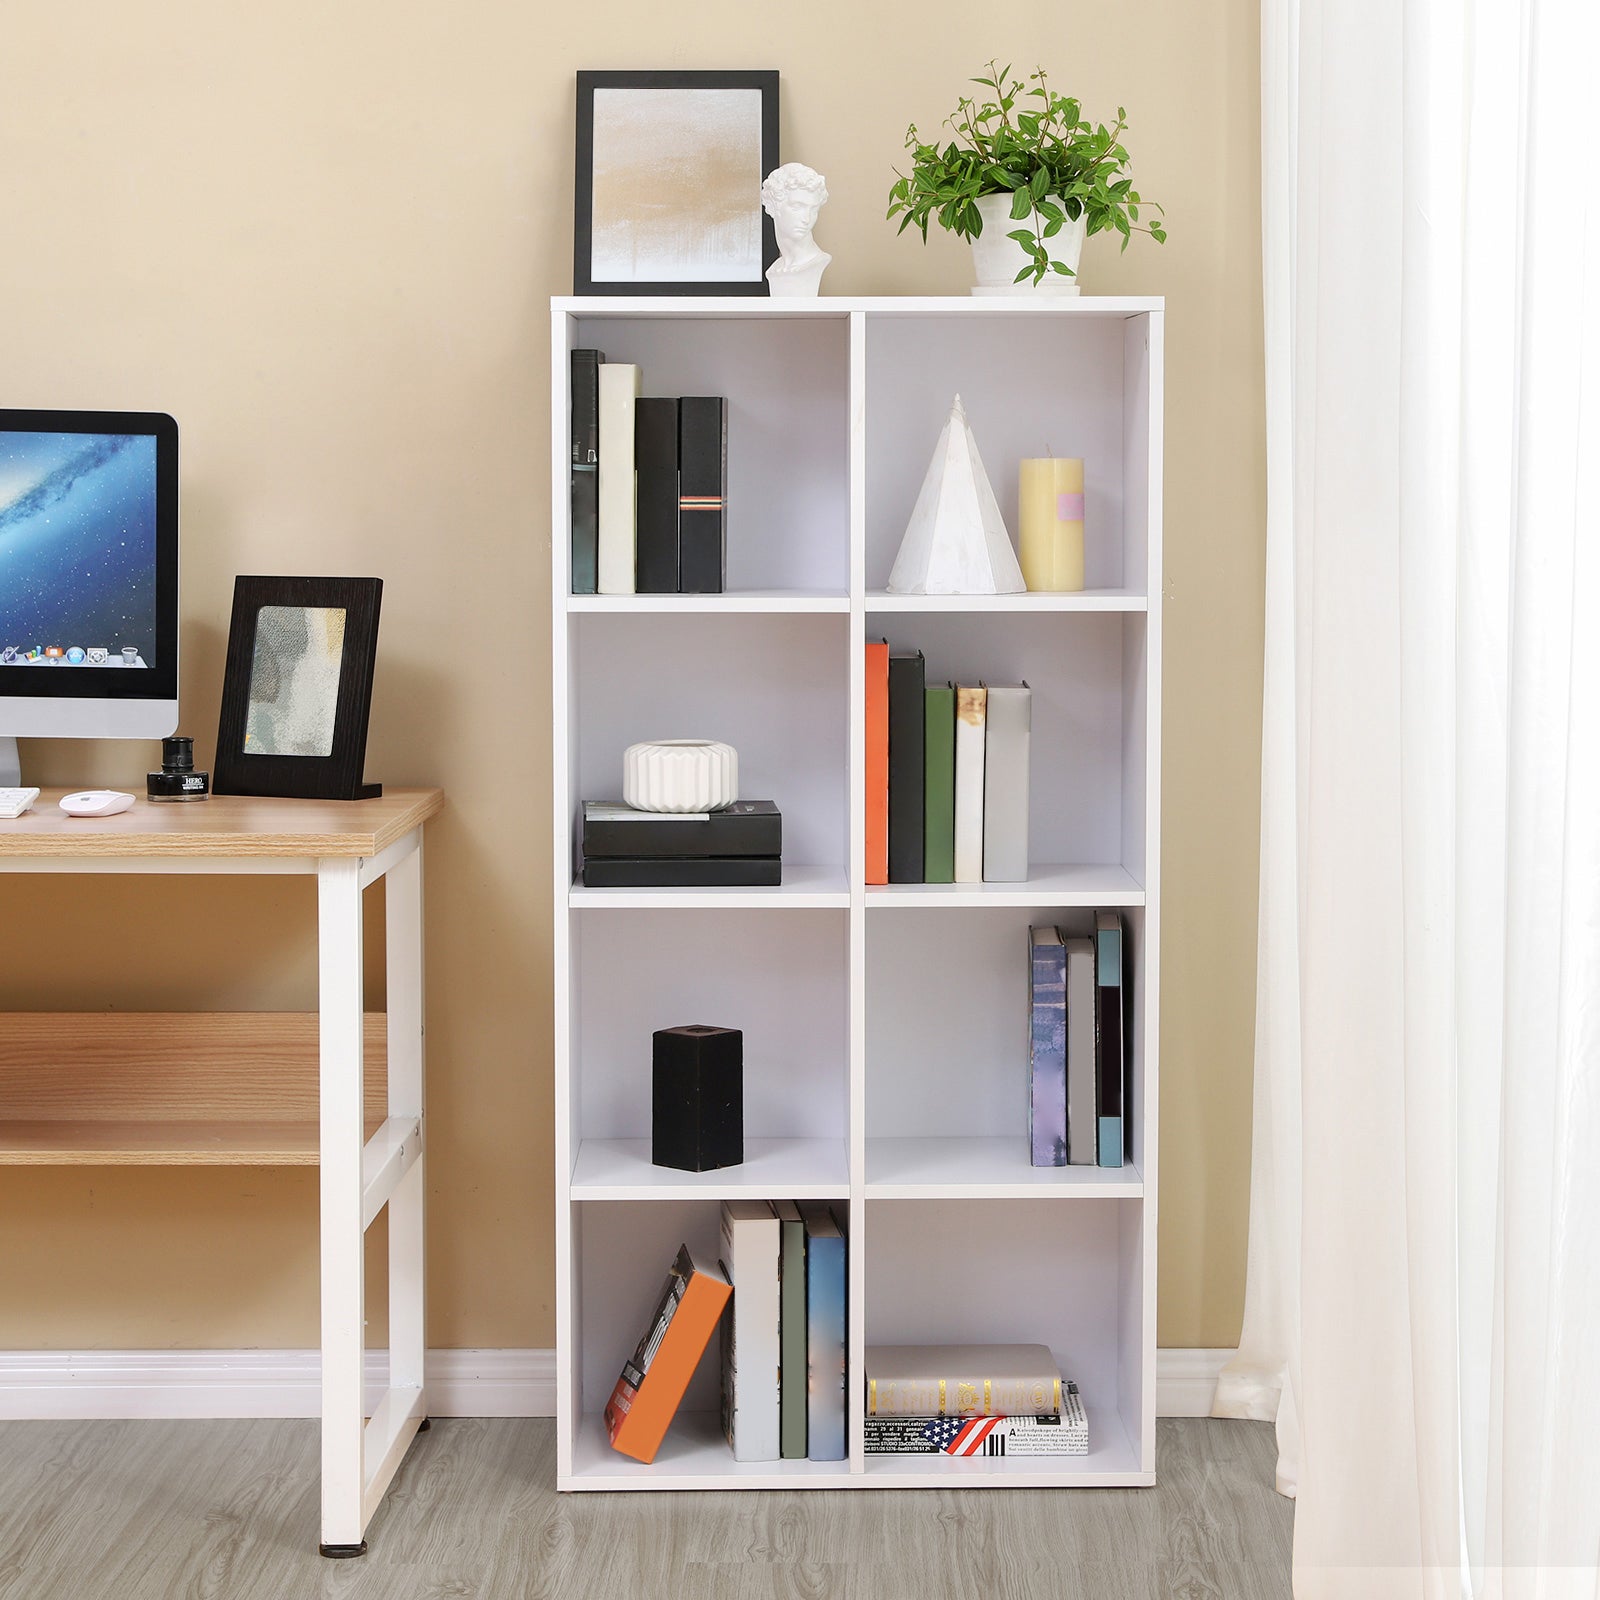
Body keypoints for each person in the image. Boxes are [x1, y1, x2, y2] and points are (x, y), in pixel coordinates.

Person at [760, 164, 830, 297]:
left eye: (813, 209)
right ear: (774, 206)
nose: (807, 219)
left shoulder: (816, 262)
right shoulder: (774, 271)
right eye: (797, 207)